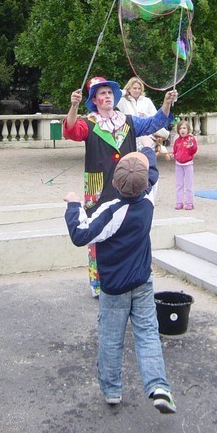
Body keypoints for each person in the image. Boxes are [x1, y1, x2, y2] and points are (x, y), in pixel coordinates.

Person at [64, 140, 176, 414]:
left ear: (114, 182)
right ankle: (158, 386)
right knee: (148, 333)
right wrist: (147, 147)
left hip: (114, 287)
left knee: (111, 338)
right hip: (142, 281)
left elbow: (81, 234)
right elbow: (152, 172)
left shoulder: (111, 211)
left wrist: (73, 205)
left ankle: (112, 390)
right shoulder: (148, 199)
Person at [63, 76, 177, 296]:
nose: (106, 96)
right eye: (101, 94)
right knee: (96, 232)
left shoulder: (127, 121)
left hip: (125, 184)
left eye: (109, 93)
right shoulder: (89, 123)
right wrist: (74, 106)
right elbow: (71, 130)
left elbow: (155, 123)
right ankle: (98, 283)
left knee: (126, 227)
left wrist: (166, 103)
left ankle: (127, 275)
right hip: (98, 187)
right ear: (94, 100)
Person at [117, 76, 170, 150]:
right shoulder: (123, 101)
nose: (137, 91)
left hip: (145, 136)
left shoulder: (147, 101)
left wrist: (146, 115)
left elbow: (156, 117)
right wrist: (125, 91)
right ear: (129, 88)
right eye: (134, 88)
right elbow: (114, 95)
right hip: (129, 135)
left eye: (139, 88)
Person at [172, 120, 198, 210]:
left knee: (189, 184)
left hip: (188, 164)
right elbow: (174, 150)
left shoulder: (191, 139)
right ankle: (179, 202)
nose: (182, 130)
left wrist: (191, 145)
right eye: (180, 128)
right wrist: (175, 156)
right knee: (179, 184)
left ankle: (190, 202)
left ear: (188, 129)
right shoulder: (177, 141)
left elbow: (194, 149)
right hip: (178, 164)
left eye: (184, 128)